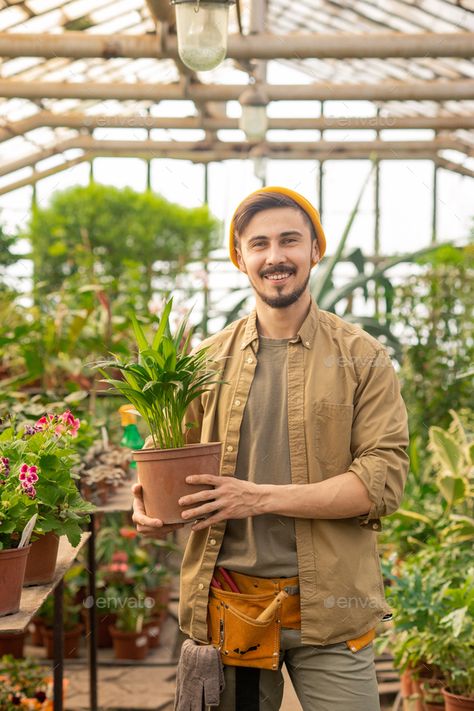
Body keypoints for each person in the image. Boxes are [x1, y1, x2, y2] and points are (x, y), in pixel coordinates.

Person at [132, 186, 409, 711]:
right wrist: (147, 501)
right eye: (259, 244)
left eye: (290, 241)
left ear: (314, 250)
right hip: (232, 605)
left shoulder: (362, 357)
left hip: (330, 607)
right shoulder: (204, 362)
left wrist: (255, 497)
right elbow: (165, 450)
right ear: (241, 257)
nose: (275, 256)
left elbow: (382, 481)